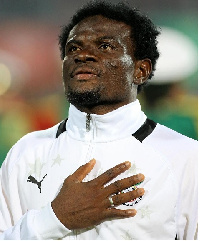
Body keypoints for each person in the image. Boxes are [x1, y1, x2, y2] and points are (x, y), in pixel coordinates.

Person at [0, 1, 197, 240]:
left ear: (141, 70)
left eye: (105, 46)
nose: (83, 55)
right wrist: (54, 220)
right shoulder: (25, 151)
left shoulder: (187, 157)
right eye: (73, 49)